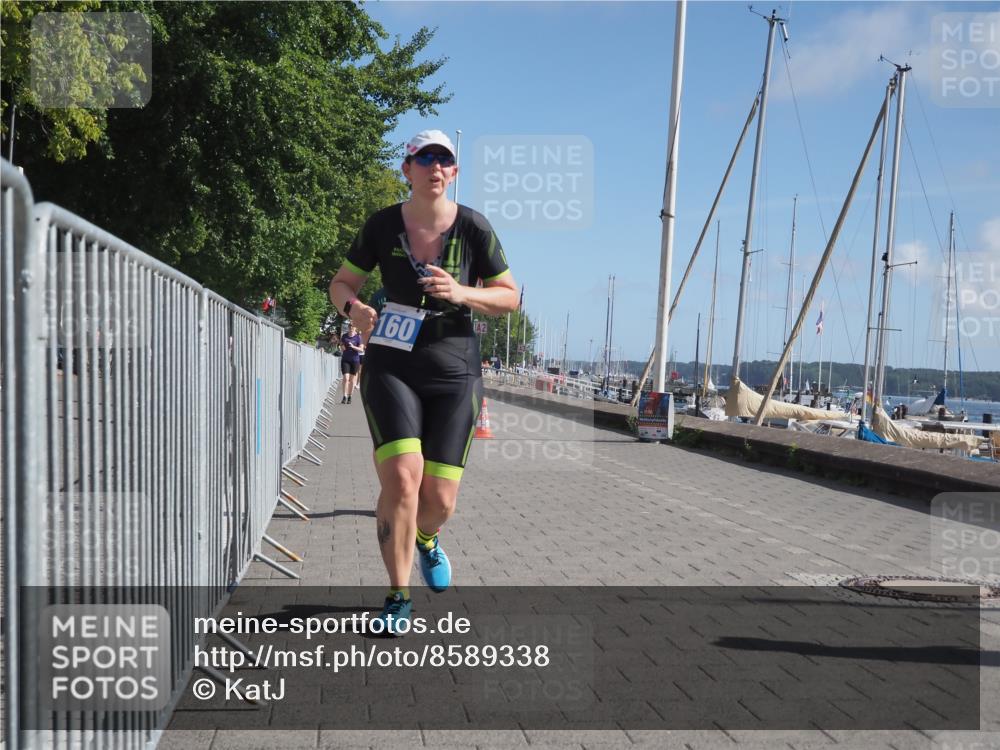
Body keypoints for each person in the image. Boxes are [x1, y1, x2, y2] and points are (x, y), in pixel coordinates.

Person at [328, 129, 519, 634]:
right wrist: (356, 309)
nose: (435, 167)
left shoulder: (474, 228)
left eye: (445, 160)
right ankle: (397, 594)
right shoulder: (383, 225)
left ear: (453, 173)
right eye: (424, 158)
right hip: (392, 363)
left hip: (455, 370)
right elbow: (342, 281)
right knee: (402, 478)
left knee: (438, 501)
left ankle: (428, 539)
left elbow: (510, 297)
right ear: (407, 168)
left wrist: (461, 292)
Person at [339, 324, 363, 404]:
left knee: (352, 380)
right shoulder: (344, 336)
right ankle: (344, 396)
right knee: (346, 378)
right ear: (348, 328)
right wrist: (342, 347)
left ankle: (350, 396)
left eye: (353, 327)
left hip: (355, 360)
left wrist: (353, 347)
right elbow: (341, 344)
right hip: (345, 359)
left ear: (355, 328)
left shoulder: (358, 337)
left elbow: (361, 349)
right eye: (350, 327)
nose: (351, 328)